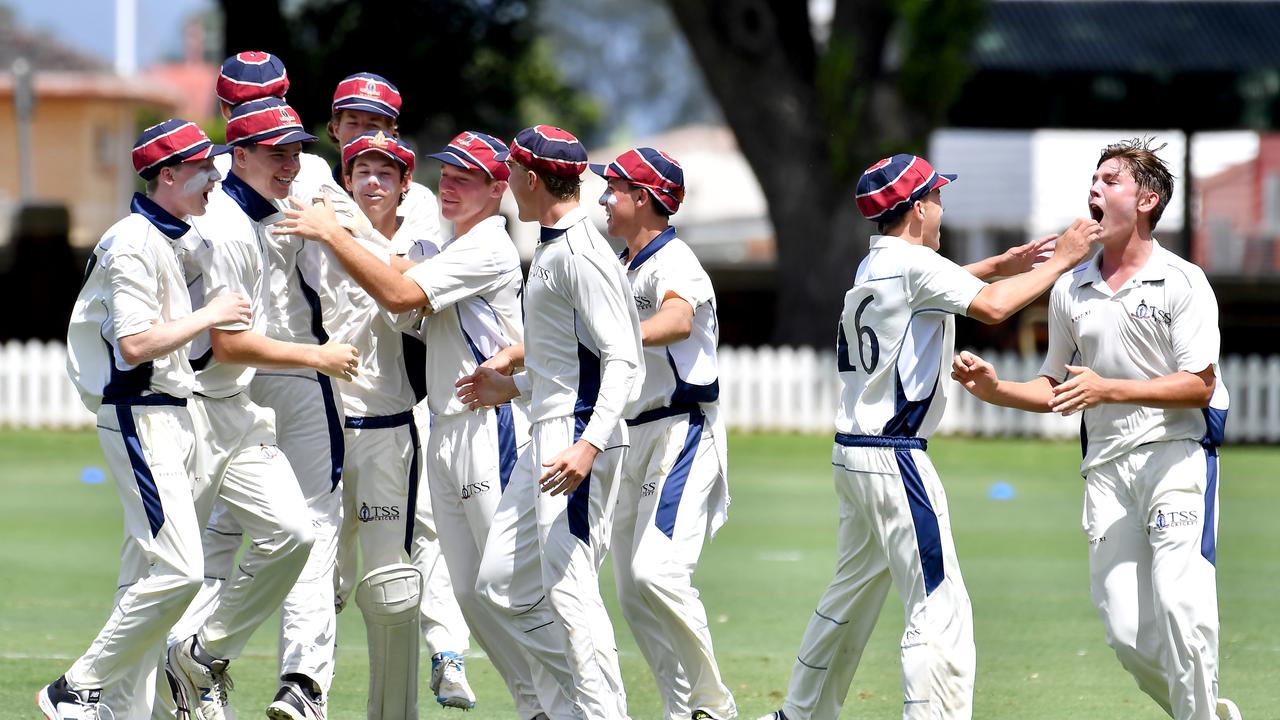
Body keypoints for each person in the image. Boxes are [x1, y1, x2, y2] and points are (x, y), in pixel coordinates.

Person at [758, 153, 1098, 720]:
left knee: (848, 599)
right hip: (895, 456)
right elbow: (989, 309)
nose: (942, 208)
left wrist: (1006, 262)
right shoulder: (915, 265)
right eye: (937, 198)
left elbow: (943, 286)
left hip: (853, 454)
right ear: (917, 209)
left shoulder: (875, 266)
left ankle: (797, 713)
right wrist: (1060, 261)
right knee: (938, 606)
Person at [276, 130, 568, 718]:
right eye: (448, 175)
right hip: (444, 428)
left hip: (491, 425)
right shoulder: (449, 246)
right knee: (471, 595)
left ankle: (572, 705)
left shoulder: (487, 244)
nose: (451, 187)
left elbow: (400, 291)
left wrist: (332, 229)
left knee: (510, 590)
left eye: (467, 178)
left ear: (498, 188)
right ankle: (538, 707)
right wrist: (354, 226)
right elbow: (401, 268)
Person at [950, 139, 1240, 720]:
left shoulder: (1183, 282)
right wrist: (997, 389)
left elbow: (1198, 385)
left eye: (1111, 181)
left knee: (1185, 611)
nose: (1094, 190)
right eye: (1094, 180)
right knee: (1128, 636)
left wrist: (1109, 388)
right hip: (1106, 470)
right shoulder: (1069, 288)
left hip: (1176, 457)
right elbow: (1056, 385)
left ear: (1148, 200)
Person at [38, 120, 247, 720]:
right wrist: (212, 312)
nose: (213, 178)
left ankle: (126, 712)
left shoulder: (173, 234)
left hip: (172, 415)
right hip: (140, 415)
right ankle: (77, 684)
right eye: (201, 168)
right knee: (182, 570)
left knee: (145, 575)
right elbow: (134, 345)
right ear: (167, 176)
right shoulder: (132, 241)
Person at [162, 97, 359, 720]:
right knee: (209, 546)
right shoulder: (221, 218)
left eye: (295, 149)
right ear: (236, 147)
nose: (291, 163)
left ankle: (265, 678)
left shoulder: (290, 183)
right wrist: (318, 358)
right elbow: (230, 340)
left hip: (248, 387)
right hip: (232, 386)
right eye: (277, 152)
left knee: (289, 532)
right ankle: (191, 675)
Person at [456, 124, 644, 720]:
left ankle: (600, 711)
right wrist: (509, 387)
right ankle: (587, 706)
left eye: (510, 172)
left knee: (569, 591)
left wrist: (587, 445)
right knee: (500, 587)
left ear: (531, 180)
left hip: (577, 439)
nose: (507, 182)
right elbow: (567, 364)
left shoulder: (582, 253)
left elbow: (623, 359)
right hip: (551, 430)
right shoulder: (554, 247)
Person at [591, 148, 736, 720]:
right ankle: (683, 711)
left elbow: (678, 319)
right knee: (632, 590)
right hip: (636, 435)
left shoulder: (674, 259)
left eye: (614, 190)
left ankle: (714, 707)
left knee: (658, 570)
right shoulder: (623, 265)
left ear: (644, 198)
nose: (604, 200)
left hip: (683, 431)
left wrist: (613, 341)